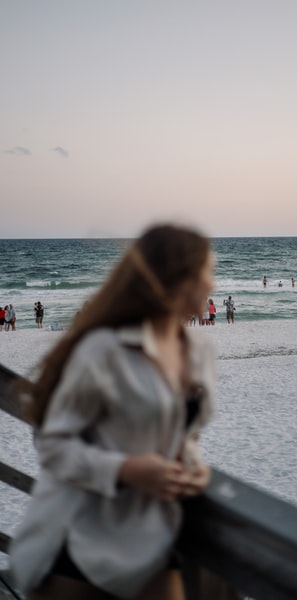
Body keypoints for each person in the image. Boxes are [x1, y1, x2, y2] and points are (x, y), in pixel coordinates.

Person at [11, 223, 216, 600]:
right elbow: (53, 446)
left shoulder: (198, 351)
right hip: (81, 536)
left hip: (153, 533)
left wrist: (195, 466)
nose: (213, 285)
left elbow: (181, 431)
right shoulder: (104, 350)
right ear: (179, 279)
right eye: (208, 272)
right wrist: (126, 469)